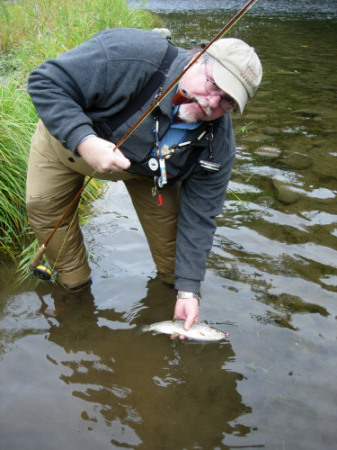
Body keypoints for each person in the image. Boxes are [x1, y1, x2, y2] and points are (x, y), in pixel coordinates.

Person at [26, 28, 262, 334]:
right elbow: (45, 82)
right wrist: (83, 140)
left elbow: (200, 218)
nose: (210, 103)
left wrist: (189, 291)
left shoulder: (218, 146)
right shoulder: (133, 54)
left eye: (227, 102)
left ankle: (169, 316)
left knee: (175, 266)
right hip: (66, 146)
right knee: (44, 213)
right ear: (198, 57)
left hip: (148, 172)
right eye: (213, 84)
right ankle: (77, 300)